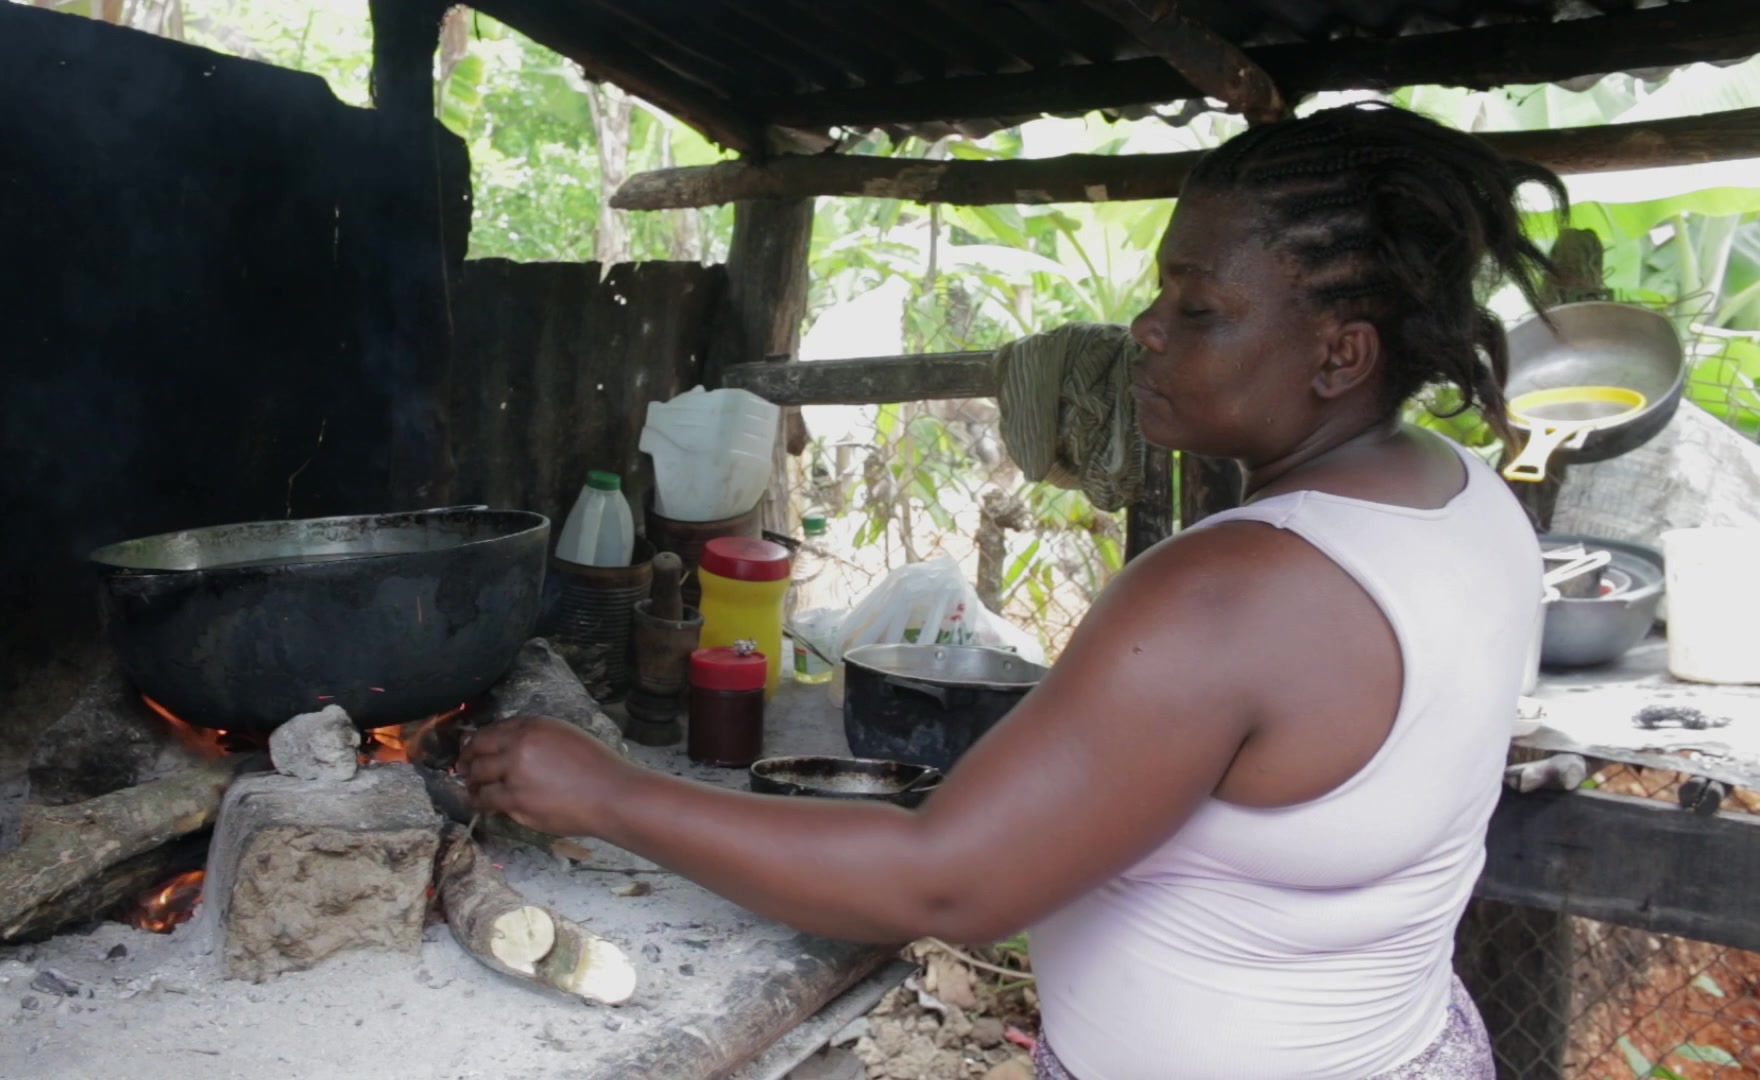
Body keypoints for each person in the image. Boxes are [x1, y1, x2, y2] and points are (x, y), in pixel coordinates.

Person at [459, 102, 1564, 1079]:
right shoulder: (1462, 496)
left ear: (1340, 355)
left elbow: (946, 883)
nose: (1146, 329)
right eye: (1161, 291)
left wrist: (607, 793)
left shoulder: (1232, 592)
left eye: (1199, 310)